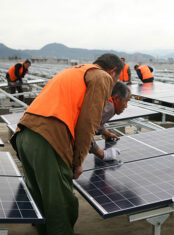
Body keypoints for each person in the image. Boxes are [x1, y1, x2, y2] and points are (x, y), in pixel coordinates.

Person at [10, 53, 123, 235]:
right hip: (47, 138)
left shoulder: (75, 71)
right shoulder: (102, 76)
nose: (114, 83)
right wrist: (78, 161)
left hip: (24, 134)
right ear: (114, 71)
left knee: (41, 199)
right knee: (61, 205)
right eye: (117, 78)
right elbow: (88, 122)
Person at [89, 81, 131, 161]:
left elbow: (97, 123)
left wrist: (106, 133)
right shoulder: (109, 108)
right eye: (126, 101)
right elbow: (84, 131)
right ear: (116, 99)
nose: (126, 106)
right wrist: (102, 154)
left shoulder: (104, 102)